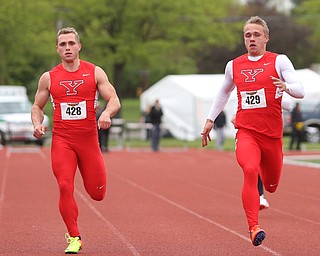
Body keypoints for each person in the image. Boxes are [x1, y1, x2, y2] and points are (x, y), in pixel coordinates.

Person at [201, 16, 304, 246]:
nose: (252, 39)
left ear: (266, 38)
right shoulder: (233, 65)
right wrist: (210, 119)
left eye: (256, 34)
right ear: (244, 39)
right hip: (246, 131)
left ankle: (265, 192)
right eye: (248, 35)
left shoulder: (280, 61)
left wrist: (286, 87)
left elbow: (300, 90)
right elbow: (223, 93)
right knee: (249, 168)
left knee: (272, 185)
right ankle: (253, 227)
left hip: (272, 136)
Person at [31, 27, 121, 254]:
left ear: (79, 46)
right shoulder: (49, 78)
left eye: (71, 43)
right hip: (63, 140)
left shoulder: (95, 72)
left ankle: (79, 224)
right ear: (57, 49)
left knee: (97, 194)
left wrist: (107, 113)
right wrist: (37, 123)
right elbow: (37, 107)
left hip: (89, 140)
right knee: (64, 185)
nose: (67, 48)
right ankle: (74, 237)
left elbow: (114, 100)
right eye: (63, 44)